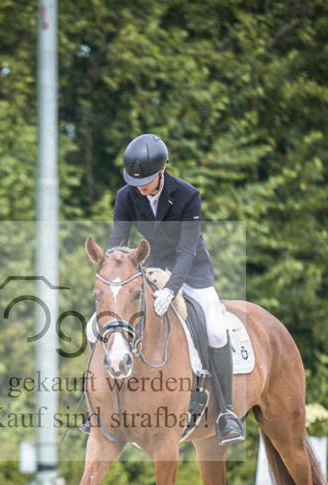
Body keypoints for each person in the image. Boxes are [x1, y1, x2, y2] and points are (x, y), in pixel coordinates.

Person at [88, 133, 244, 445]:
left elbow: (187, 252)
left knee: (215, 330)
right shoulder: (126, 196)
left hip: (192, 273)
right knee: (95, 327)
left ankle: (227, 412)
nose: (140, 188)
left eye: (145, 181)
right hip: (148, 271)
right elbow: (117, 246)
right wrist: (115, 275)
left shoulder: (187, 196)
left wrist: (171, 290)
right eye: (135, 182)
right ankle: (96, 406)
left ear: (162, 171)